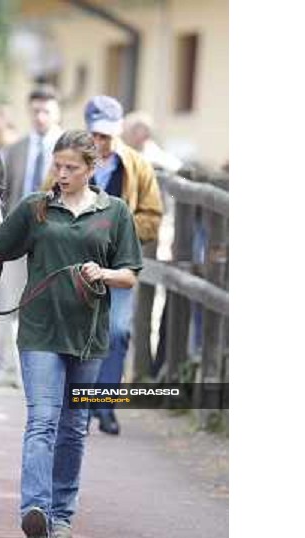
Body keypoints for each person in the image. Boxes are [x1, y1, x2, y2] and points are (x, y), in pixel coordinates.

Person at [0, 130, 142, 538]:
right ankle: (36, 510)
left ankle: (63, 513)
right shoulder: (36, 209)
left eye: (72, 168)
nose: (62, 174)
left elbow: (130, 275)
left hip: (88, 337)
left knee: (73, 427)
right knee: (43, 421)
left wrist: (101, 274)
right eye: (58, 165)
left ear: (92, 168)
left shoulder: (114, 212)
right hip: (39, 333)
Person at [83, 96, 163, 435]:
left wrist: (121, 227)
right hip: (77, 267)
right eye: (95, 135)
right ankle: (83, 408)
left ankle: (106, 405)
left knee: (117, 332)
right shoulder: (70, 160)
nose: (101, 143)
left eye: (107, 135)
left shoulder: (139, 167)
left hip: (119, 266)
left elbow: (153, 216)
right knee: (82, 334)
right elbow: (47, 201)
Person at [0, 86, 63, 387]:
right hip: (17, 240)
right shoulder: (14, 150)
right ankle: (6, 371)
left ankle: (45, 373)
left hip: (54, 241)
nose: (41, 117)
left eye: (47, 111)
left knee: (48, 308)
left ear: (57, 113)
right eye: (36, 111)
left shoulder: (69, 149)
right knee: (8, 306)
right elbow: (3, 196)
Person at [123, 111, 183, 378]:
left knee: (148, 311)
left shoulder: (161, 163)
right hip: (139, 242)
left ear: (141, 133)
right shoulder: (130, 158)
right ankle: (138, 371)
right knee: (139, 312)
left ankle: (142, 373)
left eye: (128, 130)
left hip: (156, 242)